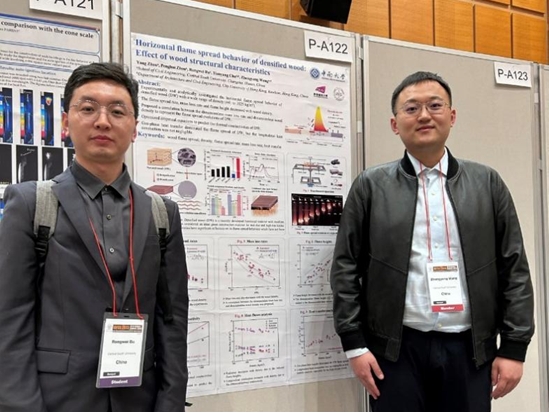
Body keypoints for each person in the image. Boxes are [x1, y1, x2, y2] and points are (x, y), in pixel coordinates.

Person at [331, 71, 534, 411]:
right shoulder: (370, 186)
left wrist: (514, 347)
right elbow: (345, 267)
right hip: (395, 351)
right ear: (395, 124)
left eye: (435, 106)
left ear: (452, 116)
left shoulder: (487, 183)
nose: (424, 115)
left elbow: (514, 268)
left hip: (470, 350)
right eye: (411, 108)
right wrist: (354, 344)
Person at [0, 62, 189, 411]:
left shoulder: (162, 213)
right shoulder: (31, 204)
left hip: (140, 400)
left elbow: (172, 321)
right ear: (66, 122)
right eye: (88, 109)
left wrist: (170, 403)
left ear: (134, 127)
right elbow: (10, 320)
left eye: (117, 111)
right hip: (57, 401)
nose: (103, 121)